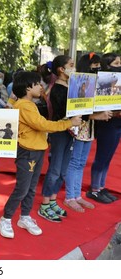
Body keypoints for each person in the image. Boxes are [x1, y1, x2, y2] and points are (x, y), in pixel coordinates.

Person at [0, 71, 81, 239]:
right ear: (28, 88)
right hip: (28, 152)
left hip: (36, 150)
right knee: (22, 188)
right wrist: (68, 123)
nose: (41, 86)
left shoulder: (28, 103)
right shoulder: (25, 105)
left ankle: (25, 216)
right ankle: (5, 218)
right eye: (37, 84)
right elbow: (41, 124)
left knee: (31, 187)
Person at [64, 52, 113, 212]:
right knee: (75, 162)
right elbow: (77, 108)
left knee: (81, 163)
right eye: (95, 65)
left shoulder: (97, 83)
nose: (98, 68)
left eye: (99, 65)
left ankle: (77, 195)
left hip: (90, 128)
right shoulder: (77, 83)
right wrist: (98, 115)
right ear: (87, 65)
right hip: (79, 128)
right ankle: (70, 196)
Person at [39, 55, 78, 222]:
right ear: (61, 69)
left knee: (63, 170)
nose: (74, 68)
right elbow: (61, 112)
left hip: (71, 131)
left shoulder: (73, 87)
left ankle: (53, 200)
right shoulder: (57, 89)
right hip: (59, 132)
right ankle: (45, 204)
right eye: (71, 65)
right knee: (54, 169)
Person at [87, 52, 121, 203]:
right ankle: (94, 189)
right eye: (116, 64)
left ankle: (101, 186)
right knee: (101, 157)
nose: (119, 67)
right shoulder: (100, 83)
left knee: (108, 157)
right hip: (106, 123)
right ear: (107, 66)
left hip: (117, 123)